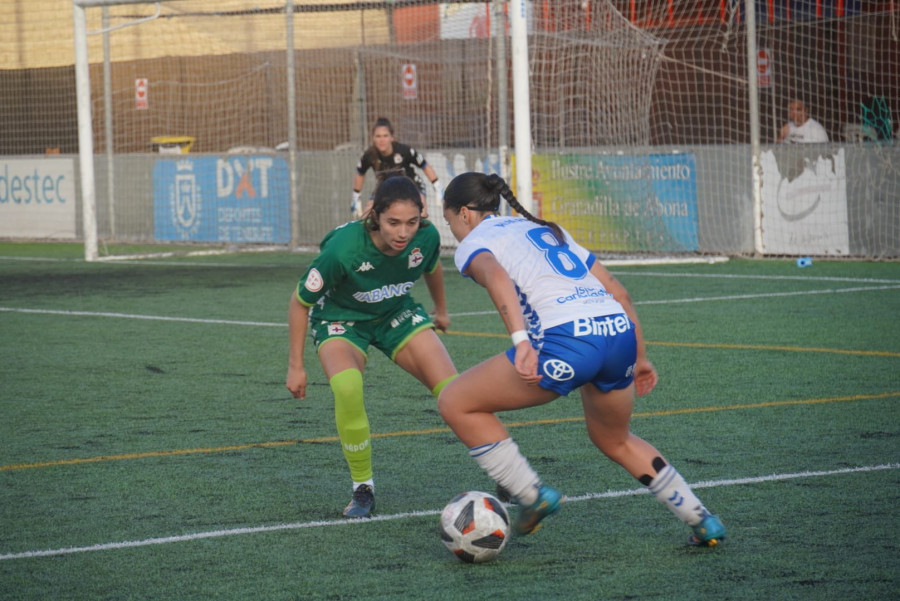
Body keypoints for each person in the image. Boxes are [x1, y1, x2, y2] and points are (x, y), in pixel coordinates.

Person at [436, 172, 726, 546]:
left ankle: (530, 494)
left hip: (566, 342)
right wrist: (640, 356)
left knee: (455, 401)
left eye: (449, 223)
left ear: (463, 213)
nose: (455, 231)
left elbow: (495, 277)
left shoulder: (476, 240)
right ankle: (702, 520)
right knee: (615, 439)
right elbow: (618, 292)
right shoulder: (544, 228)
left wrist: (522, 342)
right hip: (617, 335)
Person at [286, 175, 457, 518]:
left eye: (411, 222)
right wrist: (296, 365)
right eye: (393, 222)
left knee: (456, 391)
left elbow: (432, 266)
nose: (403, 233)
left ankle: (503, 473)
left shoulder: (427, 236)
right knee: (347, 387)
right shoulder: (343, 249)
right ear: (375, 216)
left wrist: (441, 309)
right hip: (341, 320)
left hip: (396, 312)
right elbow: (300, 301)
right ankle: (362, 489)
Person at [352, 117, 443, 219]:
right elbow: (360, 173)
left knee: (419, 213)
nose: (382, 140)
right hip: (384, 186)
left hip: (411, 185)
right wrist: (356, 198)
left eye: (385, 136)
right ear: (373, 138)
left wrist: (437, 187)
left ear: (392, 137)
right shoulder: (369, 155)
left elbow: (425, 166)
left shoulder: (404, 150)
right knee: (367, 216)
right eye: (378, 136)